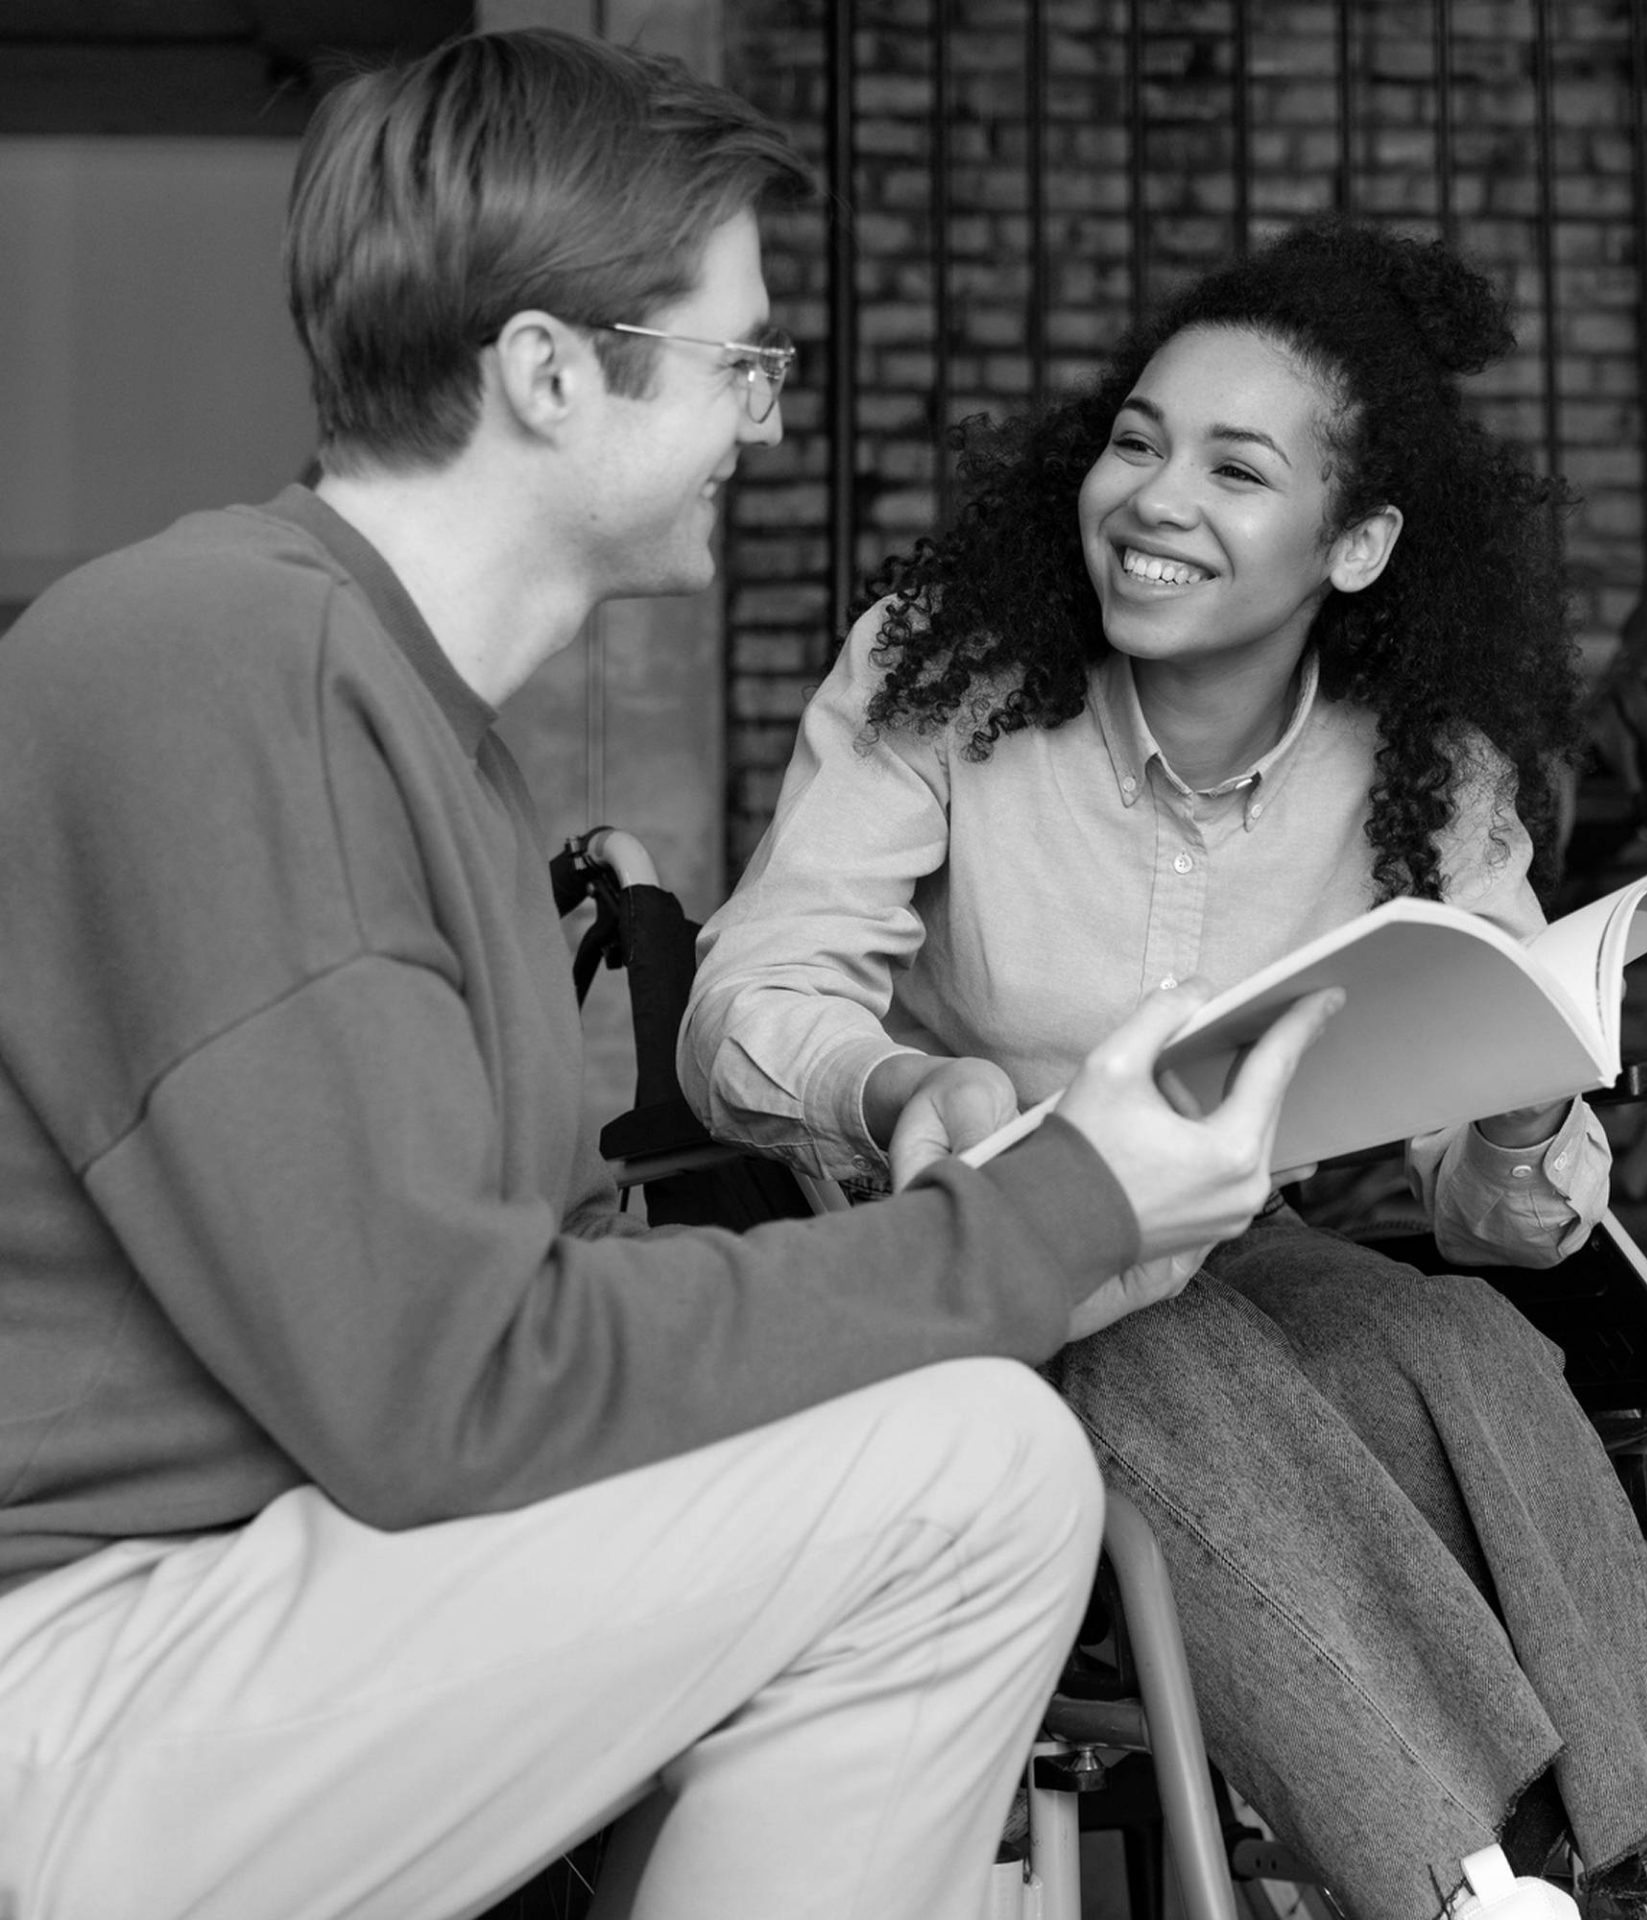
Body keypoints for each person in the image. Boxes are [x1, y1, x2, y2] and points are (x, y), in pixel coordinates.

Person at [0, 32, 1347, 1920]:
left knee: (953, 1478)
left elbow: (498, 1335)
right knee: (971, 1477)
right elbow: (443, 1396)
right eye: (743, 364)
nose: (768, 425)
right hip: (74, 1668)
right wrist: (1057, 1209)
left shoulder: (395, 715)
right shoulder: (215, 664)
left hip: (229, 1615)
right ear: (550, 373)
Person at [680, 221, 1647, 1920]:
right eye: (1136, 442)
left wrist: (1516, 1121)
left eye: (1234, 467)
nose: (1153, 497)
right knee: (1162, 1350)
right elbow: (746, 1003)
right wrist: (898, 1088)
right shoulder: (945, 678)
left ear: (1353, 545)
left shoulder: (1428, 770)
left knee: (1453, 1332)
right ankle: (1461, 1882)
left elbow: (1492, 1218)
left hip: (1233, 1247)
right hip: (975, 1249)